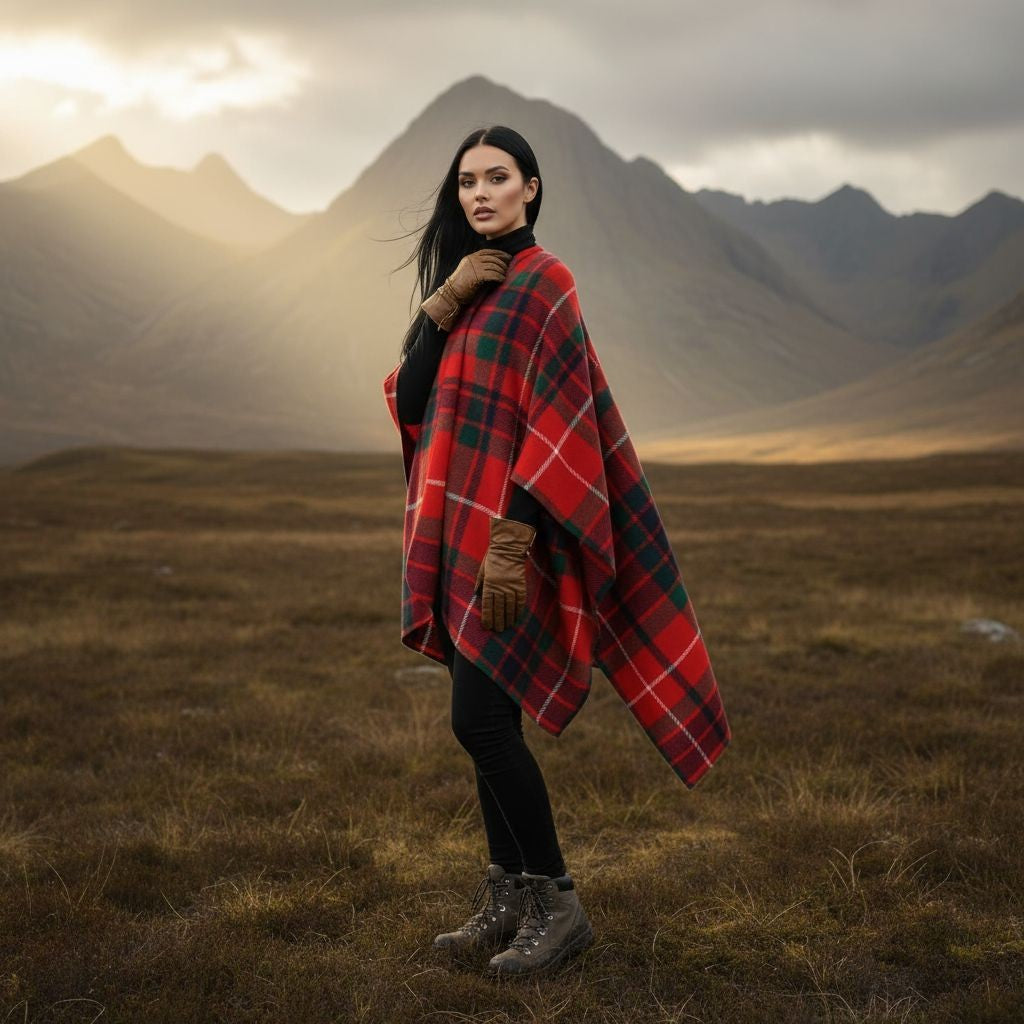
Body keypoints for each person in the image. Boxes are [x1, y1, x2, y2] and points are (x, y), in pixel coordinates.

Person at [381, 126, 730, 978]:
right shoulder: (472, 285)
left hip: (512, 542)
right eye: (467, 181)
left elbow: (559, 426)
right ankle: (510, 898)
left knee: (478, 722)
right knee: (486, 724)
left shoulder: (547, 283)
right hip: (460, 534)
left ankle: (559, 905)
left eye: (497, 178)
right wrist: (445, 298)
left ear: (530, 188)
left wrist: (509, 543)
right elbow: (415, 395)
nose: (479, 193)